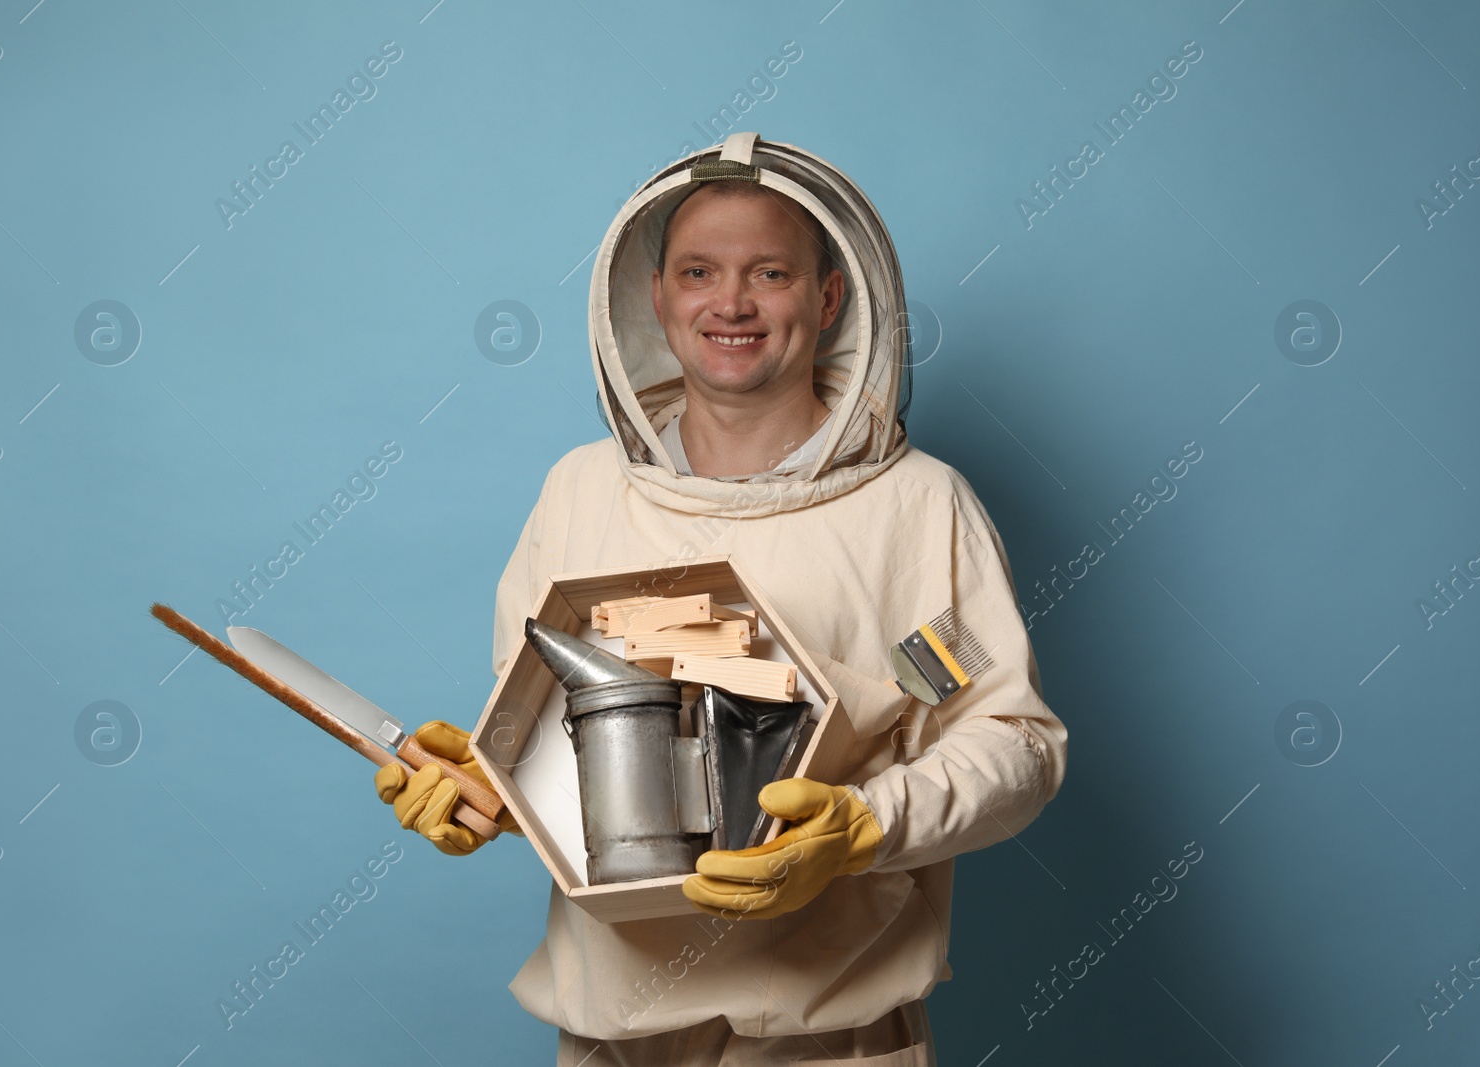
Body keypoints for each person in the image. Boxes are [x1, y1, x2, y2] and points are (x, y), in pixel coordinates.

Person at [374, 133, 1067, 1066]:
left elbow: (1008, 743)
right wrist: (481, 787)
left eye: (769, 272)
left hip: (828, 1030)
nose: (730, 303)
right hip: (613, 1027)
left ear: (828, 298)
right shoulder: (580, 491)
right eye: (699, 271)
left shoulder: (916, 509)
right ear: (656, 297)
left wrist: (864, 825)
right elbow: (555, 731)